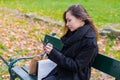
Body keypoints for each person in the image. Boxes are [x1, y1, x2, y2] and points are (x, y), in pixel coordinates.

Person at [43, 4, 98, 80]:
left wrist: (53, 53)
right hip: (63, 73)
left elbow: (76, 66)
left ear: (80, 18)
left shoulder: (89, 41)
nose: (67, 24)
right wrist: (51, 50)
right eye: (66, 21)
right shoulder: (74, 33)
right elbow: (66, 56)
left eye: (69, 20)